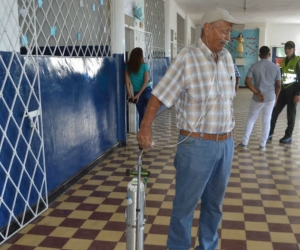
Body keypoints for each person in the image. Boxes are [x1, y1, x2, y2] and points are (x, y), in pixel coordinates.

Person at [137, 7, 244, 250]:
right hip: (196, 145)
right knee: (185, 205)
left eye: (230, 32)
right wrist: (146, 126)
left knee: (214, 205)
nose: (228, 37)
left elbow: (226, 101)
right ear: (208, 28)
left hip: (225, 144)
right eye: (224, 31)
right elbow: (160, 96)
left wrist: (230, 135)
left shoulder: (226, 58)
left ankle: (207, 246)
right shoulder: (187, 58)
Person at [237, 46, 281, 151]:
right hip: (270, 97)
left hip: (257, 98)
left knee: (251, 119)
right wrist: (276, 98)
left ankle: (244, 143)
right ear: (269, 54)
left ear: (259, 55)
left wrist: (257, 92)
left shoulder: (254, 66)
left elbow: (247, 82)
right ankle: (262, 145)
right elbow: (279, 85)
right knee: (267, 120)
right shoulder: (275, 67)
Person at [268, 41, 300, 144]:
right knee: (274, 111)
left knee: (291, 115)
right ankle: (269, 133)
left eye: (289, 48)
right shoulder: (283, 61)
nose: (287, 50)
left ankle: (288, 136)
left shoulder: (297, 61)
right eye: (286, 48)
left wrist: (298, 94)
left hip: (293, 90)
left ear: (294, 49)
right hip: (283, 90)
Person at [125, 47, 152, 128]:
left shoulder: (128, 67)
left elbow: (127, 82)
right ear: (141, 56)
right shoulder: (144, 66)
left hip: (136, 92)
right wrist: (139, 94)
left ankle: (142, 138)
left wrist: (130, 94)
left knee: (141, 115)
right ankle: (148, 137)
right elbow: (146, 81)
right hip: (147, 91)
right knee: (148, 116)